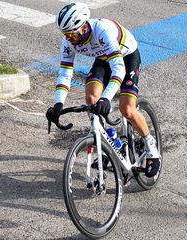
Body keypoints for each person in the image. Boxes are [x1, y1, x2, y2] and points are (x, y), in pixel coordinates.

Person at [46, 2, 161, 177]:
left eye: (71, 34)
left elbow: (119, 69)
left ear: (83, 27)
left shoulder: (102, 31)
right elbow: (64, 73)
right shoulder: (68, 41)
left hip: (126, 56)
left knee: (127, 109)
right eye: (65, 34)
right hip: (103, 58)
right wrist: (58, 104)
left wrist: (106, 98)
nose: (68, 39)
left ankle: (150, 145)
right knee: (91, 98)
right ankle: (111, 141)